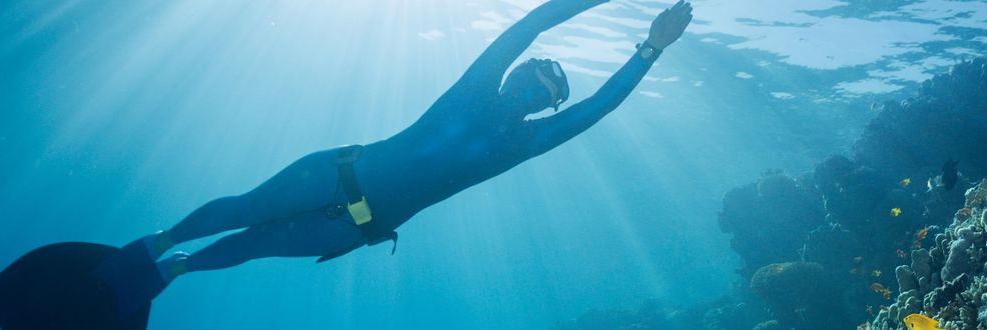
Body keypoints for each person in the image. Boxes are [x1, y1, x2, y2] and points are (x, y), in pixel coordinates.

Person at [88, 0, 691, 319]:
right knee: (243, 212)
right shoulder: (477, 88)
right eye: (533, 73)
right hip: (336, 173)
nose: (534, 85)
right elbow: (531, 23)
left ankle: (170, 271)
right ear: (514, 72)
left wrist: (649, 49)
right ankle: (156, 246)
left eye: (548, 92)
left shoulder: (523, 142)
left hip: (353, 224)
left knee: (252, 245)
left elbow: (599, 109)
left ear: (546, 108)